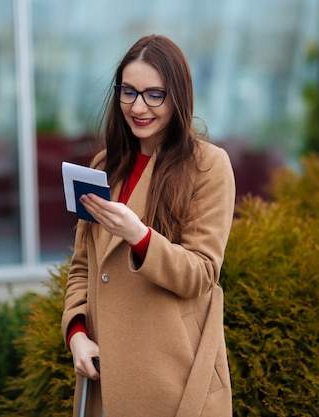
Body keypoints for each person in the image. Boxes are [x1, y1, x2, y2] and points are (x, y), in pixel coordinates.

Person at [62, 34, 236, 417]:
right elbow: (82, 268)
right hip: (105, 380)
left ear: (178, 97)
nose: (138, 107)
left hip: (173, 383)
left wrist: (138, 235)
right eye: (128, 92)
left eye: (153, 95)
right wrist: (76, 335)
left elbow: (202, 274)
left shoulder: (209, 166)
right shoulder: (103, 167)